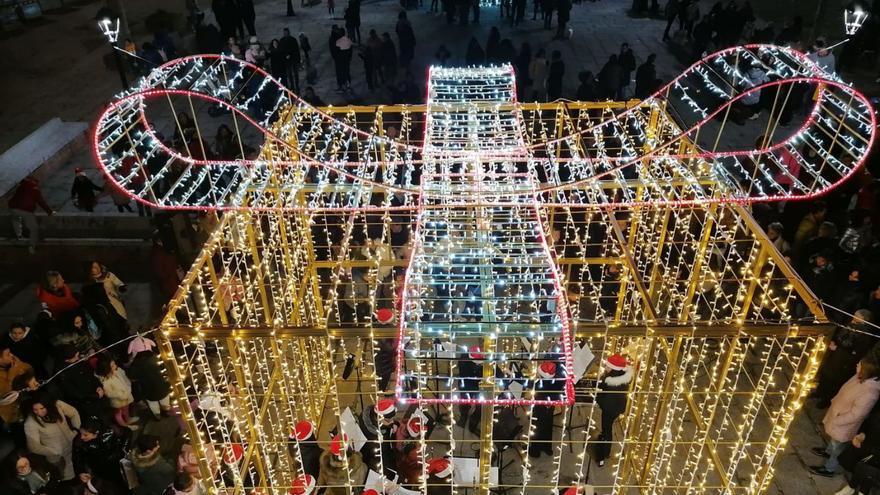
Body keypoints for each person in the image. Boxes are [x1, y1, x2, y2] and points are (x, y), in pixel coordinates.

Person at [810, 356, 880, 477]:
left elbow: (856, 414)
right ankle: (828, 451)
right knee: (834, 442)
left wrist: (838, 420)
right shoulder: (859, 377)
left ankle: (829, 469)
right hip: (838, 416)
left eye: (860, 364)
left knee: (838, 448)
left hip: (844, 424)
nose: (857, 365)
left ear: (866, 371)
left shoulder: (870, 393)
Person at [813, 310, 878, 409]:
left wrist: (837, 349)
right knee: (825, 375)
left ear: (864, 319)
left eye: (857, 316)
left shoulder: (865, 335)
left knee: (832, 381)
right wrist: (834, 342)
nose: (853, 316)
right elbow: (840, 335)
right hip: (834, 356)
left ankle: (825, 400)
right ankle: (819, 392)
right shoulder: (850, 325)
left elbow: (857, 354)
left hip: (843, 363)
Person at [24, 394, 81, 480]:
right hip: (58, 457)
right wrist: (54, 451)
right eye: (35, 410)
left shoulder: (57, 405)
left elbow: (73, 413)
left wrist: (76, 429)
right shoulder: (30, 423)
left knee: (80, 471)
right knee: (65, 477)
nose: (39, 413)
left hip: (72, 446)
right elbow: (33, 446)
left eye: (42, 408)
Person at [595, 354, 633, 467]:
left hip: (610, 409)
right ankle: (605, 447)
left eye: (607, 366)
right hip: (617, 407)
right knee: (607, 427)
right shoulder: (621, 376)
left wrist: (598, 399)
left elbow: (606, 401)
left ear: (614, 369)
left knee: (607, 429)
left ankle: (603, 453)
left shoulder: (612, 383)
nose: (605, 368)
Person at [73, 418, 128, 490]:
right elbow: (77, 458)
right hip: (99, 471)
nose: (81, 437)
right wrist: (81, 471)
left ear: (96, 433)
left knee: (121, 484)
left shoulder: (110, 432)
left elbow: (127, 433)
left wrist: (123, 451)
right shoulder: (80, 443)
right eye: (80, 433)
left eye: (85, 435)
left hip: (116, 466)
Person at [9, 176, 53, 254]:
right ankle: (32, 246)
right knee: (34, 228)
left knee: (16, 220)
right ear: (35, 183)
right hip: (26, 210)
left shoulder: (22, 186)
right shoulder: (35, 189)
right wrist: (49, 212)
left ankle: (19, 237)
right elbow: (41, 202)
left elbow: (14, 196)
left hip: (13, 209)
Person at [127, 345, 172, 419]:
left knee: (153, 405)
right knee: (165, 401)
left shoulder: (136, 364)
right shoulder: (156, 358)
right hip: (161, 385)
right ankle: (166, 412)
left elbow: (132, 377)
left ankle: (157, 416)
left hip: (148, 389)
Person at [94, 357, 138, 430]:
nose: (115, 366)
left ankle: (128, 419)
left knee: (126, 408)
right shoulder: (104, 380)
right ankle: (126, 426)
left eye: (114, 364)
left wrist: (127, 387)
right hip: (117, 400)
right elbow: (108, 393)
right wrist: (121, 394)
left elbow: (124, 379)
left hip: (126, 395)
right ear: (106, 369)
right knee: (118, 413)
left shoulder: (117, 371)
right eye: (112, 365)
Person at [0, 343, 33, 433]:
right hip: (8, 409)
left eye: (10, 352)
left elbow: (29, 369)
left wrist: (20, 365)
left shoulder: (13, 362)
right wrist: (12, 374)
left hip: (23, 400)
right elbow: (6, 394)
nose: (12, 355)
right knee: (18, 430)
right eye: (7, 354)